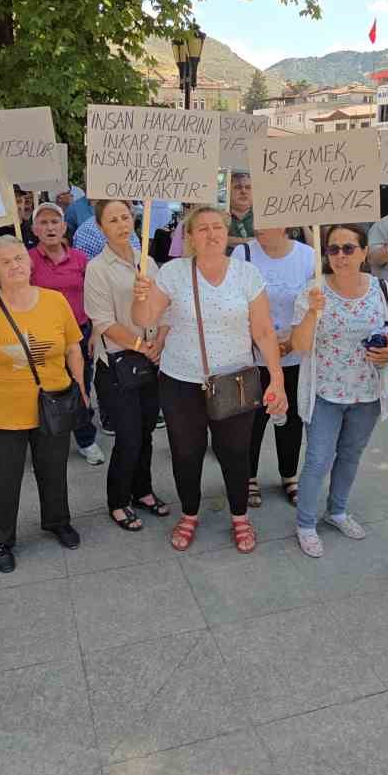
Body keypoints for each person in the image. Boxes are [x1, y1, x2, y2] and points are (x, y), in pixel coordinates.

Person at [132, 206, 287, 554]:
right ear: (189, 237)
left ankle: (239, 516)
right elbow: (144, 318)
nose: (212, 234)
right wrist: (140, 296)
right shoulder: (171, 273)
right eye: (202, 229)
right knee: (186, 453)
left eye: (218, 227)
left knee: (235, 452)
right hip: (180, 380)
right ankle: (189, 512)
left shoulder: (247, 275)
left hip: (234, 379)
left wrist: (275, 377)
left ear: (226, 233)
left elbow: (263, 330)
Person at [0, 236, 85, 572]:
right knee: (3, 479)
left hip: (51, 401)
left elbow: (73, 347)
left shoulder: (55, 301)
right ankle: (0, 540)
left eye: (18, 258)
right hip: (0, 411)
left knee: (54, 469)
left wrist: (81, 387)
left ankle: (57, 520)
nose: (14, 265)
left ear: (30, 264)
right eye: (5, 262)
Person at [288, 224, 388, 557]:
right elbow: (300, 345)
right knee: (317, 460)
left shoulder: (382, 289)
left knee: (350, 456)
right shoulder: (313, 290)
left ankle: (336, 511)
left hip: (367, 392)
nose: (340, 255)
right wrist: (312, 311)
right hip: (325, 393)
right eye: (333, 249)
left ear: (364, 252)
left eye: (348, 248)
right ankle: (305, 523)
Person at [84, 199, 169, 530]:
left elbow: (166, 306)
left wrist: (158, 343)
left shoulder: (146, 260)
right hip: (118, 364)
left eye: (125, 217)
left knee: (147, 431)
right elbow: (103, 321)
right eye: (112, 220)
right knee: (129, 435)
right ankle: (118, 501)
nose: (121, 224)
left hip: (149, 359)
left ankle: (143, 492)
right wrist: (141, 346)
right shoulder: (97, 269)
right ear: (101, 227)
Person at [236, 223, 317, 508]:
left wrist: (291, 342)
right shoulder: (242, 253)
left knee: (290, 418)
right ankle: (248, 476)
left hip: (295, 354)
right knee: (252, 419)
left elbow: (314, 305)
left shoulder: (308, 256)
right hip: (253, 356)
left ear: (285, 225)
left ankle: (289, 475)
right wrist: (264, 342)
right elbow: (234, 302)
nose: (258, 227)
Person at [28, 202, 105, 465]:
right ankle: (48, 439)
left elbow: (94, 297)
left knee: (81, 385)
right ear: (34, 229)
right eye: (43, 222)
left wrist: (95, 331)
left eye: (54, 222)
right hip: (43, 338)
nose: (50, 227)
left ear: (64, 227)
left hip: (80, 334)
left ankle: (86, 440)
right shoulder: (26, 260)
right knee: (46, 388)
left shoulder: (81, 259)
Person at [73, 200, 143, 258]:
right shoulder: (87, 232)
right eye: (113, 221)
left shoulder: (127, 224)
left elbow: (137, 255)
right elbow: (85, 268)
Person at [226, 171, 255, 249]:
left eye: (248, 187)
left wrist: (230, 240)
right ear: (228, 191)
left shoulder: (262, 216)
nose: (243, 191)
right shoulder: (220, 216)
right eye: (238, 187)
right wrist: (253, 241)